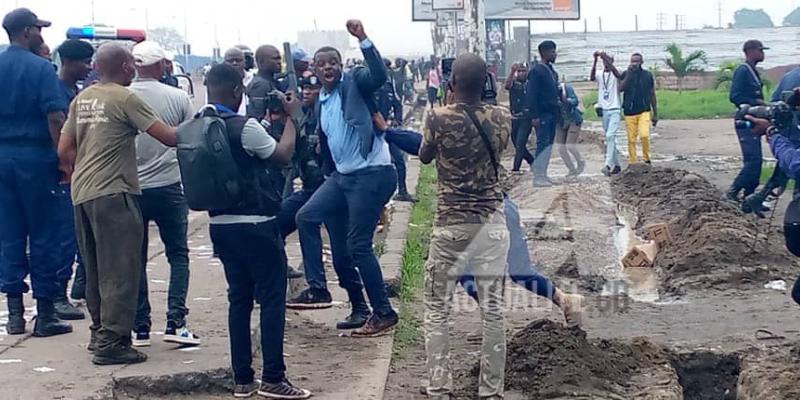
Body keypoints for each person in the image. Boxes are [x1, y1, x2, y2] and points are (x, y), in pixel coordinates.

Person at [58, 42, 179, 365]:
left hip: (83, 193)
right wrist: (207, 125)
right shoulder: (125, 98)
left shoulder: (82, 99)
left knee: (95, 267)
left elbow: (65, 150)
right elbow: (168, 137)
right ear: (127, 67)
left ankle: (100, 333)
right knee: (122, 267)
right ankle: (112, 342)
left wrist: (86, 168)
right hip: (115, 192)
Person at [202, 63, 311, 399]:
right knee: (272, 300)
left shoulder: (195, 126)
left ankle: (243, 380)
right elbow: (281, 155)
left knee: (239, 300)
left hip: (220, 227)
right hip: (257, 226)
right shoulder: (243, 127)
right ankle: (274, 378)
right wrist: (293, 118)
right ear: (237, 91)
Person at [293, 19, 399, 337]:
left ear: (341, 66)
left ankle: (383, 312)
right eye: (321, 64)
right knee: (307, 217)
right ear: (314, 68)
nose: (328, 67)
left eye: (333, 62)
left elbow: (378, 74)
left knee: (358, 246)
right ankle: (324, 291)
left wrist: (363, 38)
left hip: (371, 173)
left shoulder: (354, 83)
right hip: (342, 176)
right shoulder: (320, 101)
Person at [419, 53, 510, 400]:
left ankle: (440, 387)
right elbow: (498, 150)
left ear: (451, 83)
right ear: (486, 81)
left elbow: (426, 157)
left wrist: (445, 105)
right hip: (491, 223)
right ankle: (490, 391)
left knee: (438, 308)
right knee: (493, 310)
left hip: (450, 225)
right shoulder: (502, 116)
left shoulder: (437, 117)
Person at [0, 7, 73, 338]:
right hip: (36, 158)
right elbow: (55, 117)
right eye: (39, 29)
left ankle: (14, 313)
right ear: (27, 31)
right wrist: (63, 159)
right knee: (44, 233)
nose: (42, 34)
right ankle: (45, 313)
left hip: (3, 158)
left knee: (9, 234)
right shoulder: (41, 68)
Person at [128, 41, 200, 348]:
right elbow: (191, 141)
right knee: (178, 255)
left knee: (136, 258)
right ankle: (176, 322)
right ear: (160, 66)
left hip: (132, 188)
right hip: (170, 185)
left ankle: (140, 327)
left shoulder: (123, 98)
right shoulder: (178, 96)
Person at [53, 38, 95, 319]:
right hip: (63, 172)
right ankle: (58, 294)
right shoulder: (57, 91)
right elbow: (58, 130)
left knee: (81, 233)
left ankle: (79, 284)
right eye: (84, 62)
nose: (88, 67)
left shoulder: (76, 91)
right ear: (68, 62)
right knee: (64, 236)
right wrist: (66, 166)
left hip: (79, 171)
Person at [727, 40, 768, 202]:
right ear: (750, 51)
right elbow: (734, 96)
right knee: (754, 160)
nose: (763, 53)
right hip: (746, 120)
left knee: (755, 161)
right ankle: (733, 191)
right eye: (760, 50)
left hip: (754, 119)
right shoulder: (743, 71)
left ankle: (749, 196)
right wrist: (757, 103)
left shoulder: (753, 71)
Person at [378, 58, 415, 202]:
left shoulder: (387, 85)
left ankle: (402, 191)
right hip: (371, 134)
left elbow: (397, 104)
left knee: (399, 161)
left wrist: (397, 121)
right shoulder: (365, 86)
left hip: (387, 130)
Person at [527, 40, 562, 187]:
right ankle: (538, 176)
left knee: (548, 145)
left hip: (553, 113)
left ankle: (544, 174)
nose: (555, 54)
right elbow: (531, 94)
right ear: (545, 53)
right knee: (542, 144)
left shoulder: (551, 71)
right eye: (552, 51)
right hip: (543, 114)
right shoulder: (537, 71)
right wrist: (534, 116)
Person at [620, 52, 658, 165]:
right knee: (631, 139)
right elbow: (620, 88)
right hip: (629, 112)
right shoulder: (626, 74)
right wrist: (629, 75)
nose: (634, 63)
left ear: (642, 62)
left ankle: (647, 159)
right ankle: (633, 162)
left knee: (644, 135)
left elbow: (652, 94)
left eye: (637, 61)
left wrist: (655, 113)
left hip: (644, 111)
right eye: (632, 61)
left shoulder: (647, 75)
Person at [591, 51, 624, 176]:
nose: (606, 63)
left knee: (610, 136)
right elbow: (592, 77)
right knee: (610, 138)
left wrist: (605, 57)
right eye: (604, 61)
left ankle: (608, 165)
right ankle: (617, 165)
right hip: (604, 110)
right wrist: (595, 60)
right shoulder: (600, 74)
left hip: (615, 109)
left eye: (608, 61)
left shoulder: (617, 72)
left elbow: (617, 74)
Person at [504, 63, 534, 172]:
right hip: (514, 117)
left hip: (526, 118)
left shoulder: (531, 83)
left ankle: (516, 168)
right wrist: (512, 72)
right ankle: (532, 161)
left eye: (524, 70)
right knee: (516, 143)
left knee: (520, 143)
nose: (521, 73)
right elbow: (507, 86)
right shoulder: (514, 82)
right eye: (519, 71)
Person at [246, 45, 288, 121]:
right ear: (261, 62)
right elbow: (256, 118)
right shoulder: (260, 84)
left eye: (279, 59)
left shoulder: (272, 81)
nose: (279, 62)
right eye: (275, 59)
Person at [556, 83, 585, 177]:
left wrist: (566, 100)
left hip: (573, 119)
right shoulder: (547, 91)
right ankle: (571, 169)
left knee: (570, 145)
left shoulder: (566, 88)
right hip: (560, 121)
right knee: (561, 148)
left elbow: (575, 101)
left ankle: (580, 162)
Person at [222, 47, 250, 115]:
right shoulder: (218, 83)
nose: (234, 63)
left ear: (245, 62)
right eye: (230, 61)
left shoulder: (252, 80)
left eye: (238, 60)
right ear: (224, 62)